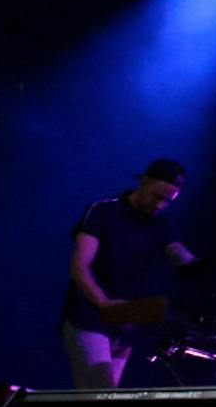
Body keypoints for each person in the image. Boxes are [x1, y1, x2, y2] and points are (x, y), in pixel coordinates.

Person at [61, 158, 197, 388]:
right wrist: (103, 303)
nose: (161, 205)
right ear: (144, 182)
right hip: (89, 316)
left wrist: (211, 266)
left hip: (124, 323)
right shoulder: (103, 210)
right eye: (158, 196)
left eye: (168, 201)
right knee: (100, 397)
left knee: (101, 406)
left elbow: (179, 254)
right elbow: (79, 265)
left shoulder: (161, 224)